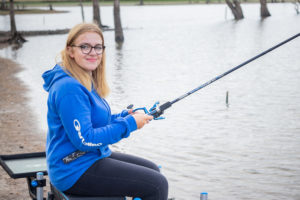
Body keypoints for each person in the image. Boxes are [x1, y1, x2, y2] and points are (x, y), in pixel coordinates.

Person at [42, 23, 168, 200]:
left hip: (88, 158)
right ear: (70, 51)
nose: (93, 52)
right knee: (157, 185)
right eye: (84, 47)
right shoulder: (69, 88)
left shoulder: (83, 77)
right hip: (73, 169)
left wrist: (124, 116)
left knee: (154, 170)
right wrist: (129, 125)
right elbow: (85, 139)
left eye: (98, 47)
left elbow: (93, 120)